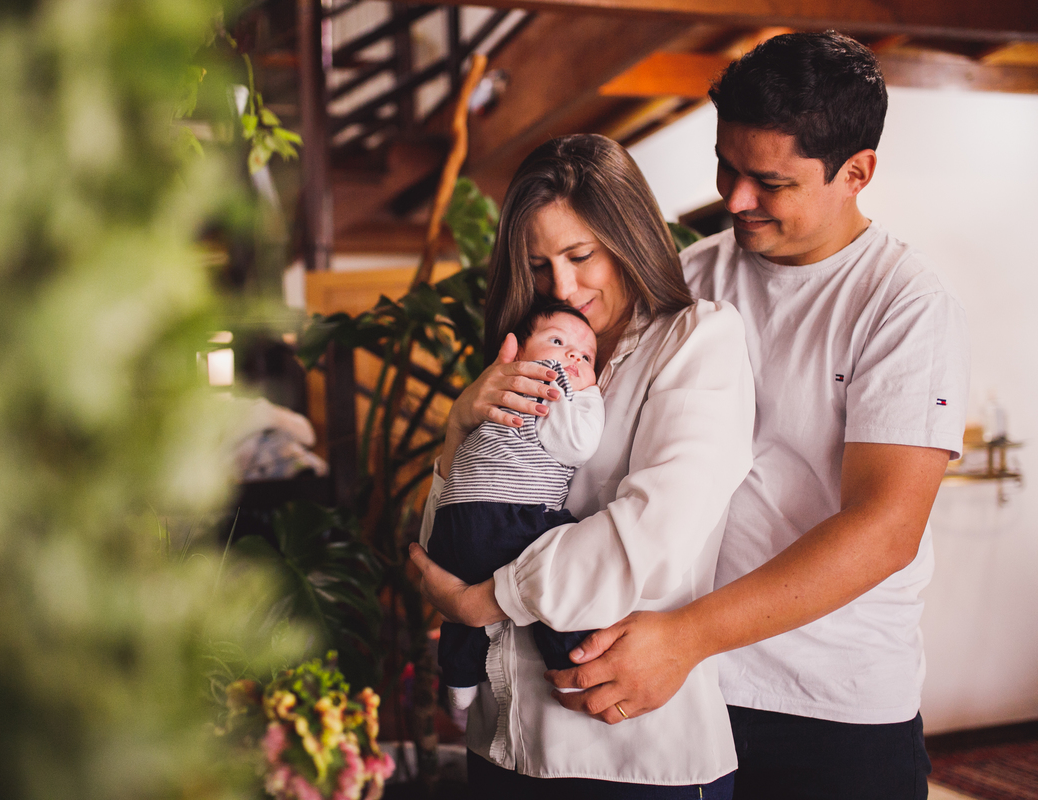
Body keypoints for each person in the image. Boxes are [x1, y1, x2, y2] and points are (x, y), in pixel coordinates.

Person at [526, 32, 967, 800]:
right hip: (682, 686)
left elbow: (885, 531)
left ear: (857, 172)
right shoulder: (689, 277)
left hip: (832, 707)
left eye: (768, 181)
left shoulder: (903, 305)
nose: (733, 200)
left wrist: (686, 638)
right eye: (726, 165)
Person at [412, 133, 755, 798]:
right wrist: (458, 427)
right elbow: (455, 529)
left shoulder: (698, 341)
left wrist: (487, 600)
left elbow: (652, 536)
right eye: (539, 266)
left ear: (627, 236)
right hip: (499, 741)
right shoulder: (528, 352)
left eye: (580, 255)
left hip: (625, 754)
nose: (562, 286)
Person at [425, 300, 605, 712]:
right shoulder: (554, 390)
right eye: (557, 342)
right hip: (508, 515)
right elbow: (577, 445)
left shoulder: (495, 397)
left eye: (587, 356)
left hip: (453, 520)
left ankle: (459, 678)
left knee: (463, 595)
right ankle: (568, 659)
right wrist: (581, 391)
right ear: (517, 353)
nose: (572, 356)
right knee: (562, 553)